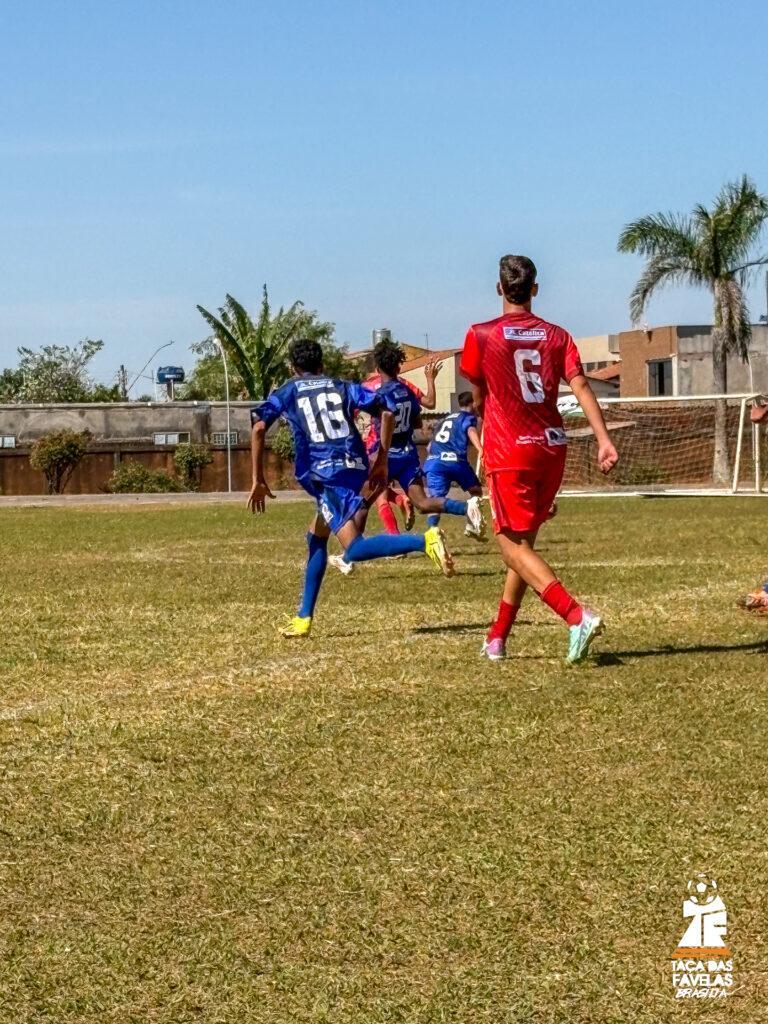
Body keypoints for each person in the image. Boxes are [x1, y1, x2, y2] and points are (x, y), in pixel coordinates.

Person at [460, 255, 618, 663]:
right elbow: (581, 387)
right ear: (534, 289)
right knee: (523, 545)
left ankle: (576, 616)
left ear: (499, 288)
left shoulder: (481, 335)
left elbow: (478, 397)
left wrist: (486, 434)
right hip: (550, 448)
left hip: (510, 450)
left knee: (511, 548)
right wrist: (603, 440)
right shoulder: (557, 336)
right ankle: (497, 637)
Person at [248, 338, 455, 637]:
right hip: (354, 467)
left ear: (293, 368)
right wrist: (381, 459)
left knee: (354, 548)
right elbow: (387, 412)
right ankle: (303, 618)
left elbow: (258, 427)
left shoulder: (289, 390)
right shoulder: (342, 386)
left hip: (327, 475)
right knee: (315, 537)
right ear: (321, 364)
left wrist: (258, 479)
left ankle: (425, 541)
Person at [362, 357, 444, 536]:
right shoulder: (404, 385)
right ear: (397, 368)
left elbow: (351, 412)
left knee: (377, 495)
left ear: (377, 369)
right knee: (382, 490)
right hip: (405, 449)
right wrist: (430, 379)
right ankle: (400, 499)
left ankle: (394, 537)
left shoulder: (367, 387)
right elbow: (430, 403)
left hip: (377, 446)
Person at [423, 391, 485, 539]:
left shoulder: (445, 419)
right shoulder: (467, 417)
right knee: (476, 491)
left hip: (434, 463)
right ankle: (471, 522)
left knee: (435, 500)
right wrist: (480, 449)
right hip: (455, 461)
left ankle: (433, 533)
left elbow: (429, 447)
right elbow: (470, 430)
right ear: (473, 403)